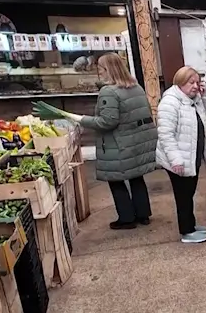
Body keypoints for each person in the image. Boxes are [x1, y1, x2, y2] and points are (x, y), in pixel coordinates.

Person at [64, 52, 157, 230]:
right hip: (137, 142)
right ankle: (143, 215)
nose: (99, 71)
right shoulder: (136, 87)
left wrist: (81, 119)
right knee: (136, 177)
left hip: (118, 143)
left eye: (100, 68)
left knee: (116, 180)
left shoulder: (108, 91)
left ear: (108, 69)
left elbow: (108, 121)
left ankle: (127, 218)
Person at [156, 66, 206, 244]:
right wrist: (175, 159)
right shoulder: (170, 102)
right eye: (191, 82)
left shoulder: (196, 99)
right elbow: (165, 134)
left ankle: (190, 225)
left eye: (197, 82)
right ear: (180, 83)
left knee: (189, 192)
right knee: (183, 195)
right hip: (178, 159)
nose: (195, 86)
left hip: (192, 156)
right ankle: (186, 231)